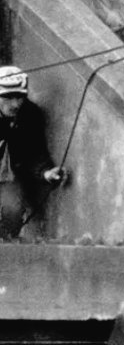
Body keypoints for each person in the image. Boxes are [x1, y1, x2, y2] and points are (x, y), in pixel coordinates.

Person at [0, 66, 65, 239]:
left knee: (12, 209)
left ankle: (6, 248)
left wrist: (45, 172)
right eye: (8, 97)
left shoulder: (30, 115)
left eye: (20, 97)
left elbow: (35, 152)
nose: (15, 104)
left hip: (9, 177)